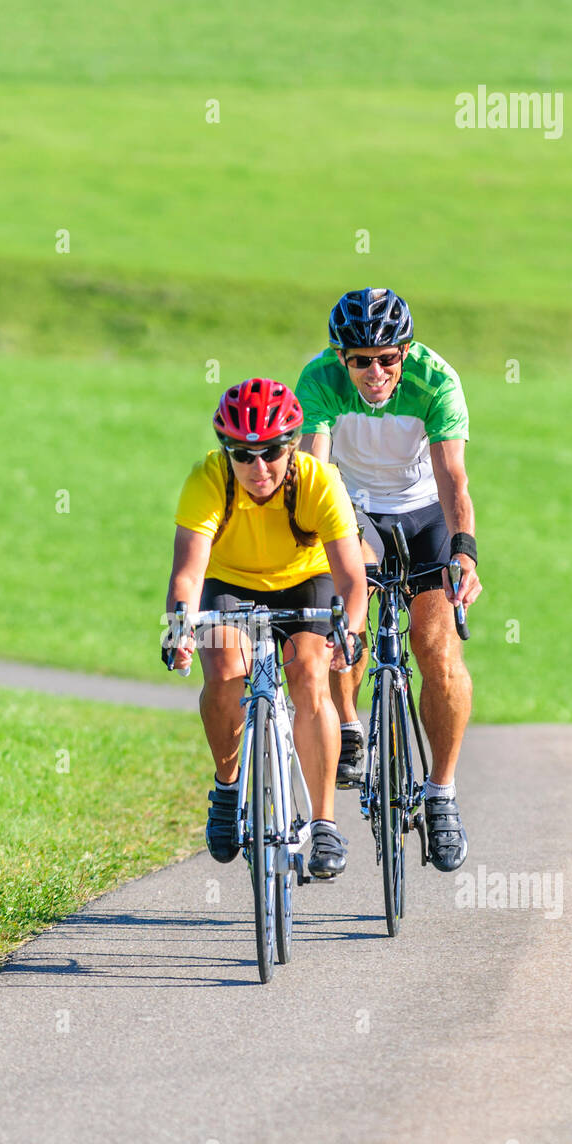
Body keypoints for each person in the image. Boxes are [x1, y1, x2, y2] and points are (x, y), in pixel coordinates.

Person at [294, 288, 481, 873]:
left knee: (436, 649)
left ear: (405, 352)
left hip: (423, 508)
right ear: (341, 357)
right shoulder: (319, 379)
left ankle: (442, 794)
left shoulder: (435, 380)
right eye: (360, 360)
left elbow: (453, 479)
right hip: (352, 507)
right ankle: (350, 724)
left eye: (387, 358)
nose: (375, 372)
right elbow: (314, 467)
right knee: (347, 616)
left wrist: (464, 553)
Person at [164, 377, 368, 879]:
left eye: (272, 453)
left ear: (292, 444)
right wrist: (178, 631)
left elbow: (350, 576)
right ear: (226, 451)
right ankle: (229, 788)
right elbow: (188, 574)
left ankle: (323, 823)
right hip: (230, 583)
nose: (259, 468)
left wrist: (352, 630)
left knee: (309, 675)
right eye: (243, 454)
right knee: (224, 670)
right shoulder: (208, 480)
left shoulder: (320, 481)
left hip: (306, 581)